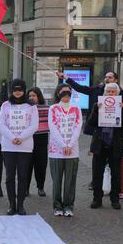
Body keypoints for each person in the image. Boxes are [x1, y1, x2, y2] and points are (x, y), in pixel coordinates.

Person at [0, 79, 39, 215]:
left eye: (20, 89)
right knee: (10, 177)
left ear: (24, 90)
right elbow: (1, 124)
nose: (17, 92)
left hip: (25, 146)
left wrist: (21, 137)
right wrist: (12, 137)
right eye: (15, 89)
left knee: (22, 176)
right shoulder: (5, 105)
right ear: (11, 90)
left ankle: (20, 204)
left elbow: (34, 125)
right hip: (8, 146)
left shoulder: (31, 106)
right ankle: (11, 204)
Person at [88, 83, 123, 210]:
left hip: (115, 145)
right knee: (97, 173)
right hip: (100, 144)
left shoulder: (122, 106)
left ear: (117, 94)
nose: (110, 94)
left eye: (113, 92)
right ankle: (97, 199)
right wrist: (96, 110)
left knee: (116, 174)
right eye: (108, 92)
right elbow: (91, 123)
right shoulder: (97, 105)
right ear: (104, 93)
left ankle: (115, 199)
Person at [48, 83, 82, 217]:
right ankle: (57, 205)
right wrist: (63, 145)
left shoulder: (76, 108)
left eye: (68, 92)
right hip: (56, 150)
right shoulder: (53, 108)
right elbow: (53, 127)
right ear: (58, 94)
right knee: (57, 180)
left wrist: (70, 144)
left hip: (72, 150)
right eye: (63, 92)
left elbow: (78, 127)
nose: (66, 95)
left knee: (70, 180)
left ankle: (69, 205)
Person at [26, 87, 50, 197]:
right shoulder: (24, 108)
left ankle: (40, 187)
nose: (31, 98)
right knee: (27, 166)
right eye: (30, 96)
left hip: (42, 139)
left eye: (34, 95)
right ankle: (25, 188)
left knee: (41, 165)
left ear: (39, 96)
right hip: (27, 139)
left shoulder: (47, 108)